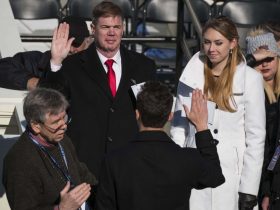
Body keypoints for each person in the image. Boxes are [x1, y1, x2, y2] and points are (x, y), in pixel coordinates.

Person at [45, 1, 156, 177]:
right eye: (105, 27)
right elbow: (48, 105)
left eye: (116, 27)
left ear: (122, 29)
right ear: (93, 28)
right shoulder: (72, 66)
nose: (111, 33)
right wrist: (56, 62)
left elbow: (152, 116)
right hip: (85, 166)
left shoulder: (144, 66)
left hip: (129, 165)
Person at [170, 16, 266, 210]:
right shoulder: (190, 77)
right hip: (194, 172)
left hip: (233, 177)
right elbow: (178, 130)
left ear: (233, 43)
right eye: (207, 42)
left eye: (218, 43)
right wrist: (175, 172)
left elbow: (256, 138)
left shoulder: (251, 79)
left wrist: (249, 190)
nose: (211, 49)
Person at [95, 81, 225, 210]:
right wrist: (202, 127)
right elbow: (215, 176)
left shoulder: (114, 160)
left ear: (137, 114)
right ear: (170, 116)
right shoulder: (187, 159)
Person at [2, 88, 98, 210]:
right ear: (36, 126)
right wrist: (61, 208)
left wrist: (101, 192)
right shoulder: (19, 162)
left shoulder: (60, 138)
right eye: (56, 122)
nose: (64, 126)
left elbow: (80, 171)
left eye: (64, 118)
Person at [0, 16, 91, 90]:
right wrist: (38, 84)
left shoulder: (96, 65)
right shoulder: (36, 61)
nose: (70, 49)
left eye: (75, 44)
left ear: (87, 42)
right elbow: (3, 68)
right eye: (64, 42)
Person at [246, 30, 280, 210]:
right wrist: (267, 189)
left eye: (270, 58)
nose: (265, 64)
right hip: (260, 175)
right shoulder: (248, 91)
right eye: (259, 60)